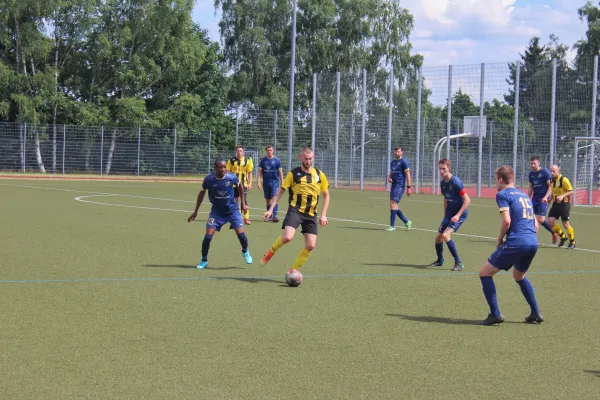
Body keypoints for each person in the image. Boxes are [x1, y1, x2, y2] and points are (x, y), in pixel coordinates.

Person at [478, 166, 543, 326]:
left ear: (500, 179)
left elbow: (507, 221)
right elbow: (536, 225)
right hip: (533, 241)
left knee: (485, 273)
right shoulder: (524, 195)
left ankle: (495, 314)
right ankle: (535, 312)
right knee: (519, 276)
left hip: (517, 241)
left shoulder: (502, 194)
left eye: (496, 179)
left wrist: (500, 238)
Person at [260, 147, 330, 274]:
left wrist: (323, 215)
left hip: (311, 214)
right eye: (306, 159)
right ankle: (270, 253)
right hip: (295, 210)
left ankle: (293, 270)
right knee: (287, 237)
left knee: (311, 246)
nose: (308, 161)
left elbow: (326, 195)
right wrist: (270, 209)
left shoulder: (320, 175)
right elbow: (280, 192)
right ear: (300, 158)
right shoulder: (293, 174)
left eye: (310, 159)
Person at [187, 159, 253, 269]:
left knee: (241, 236)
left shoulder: (231, 177)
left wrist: (243, 203)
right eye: (220, 167)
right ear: (215, 168)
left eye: (224, 167)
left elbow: (240, 185)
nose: (223, 169)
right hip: (217, 212)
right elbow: (201, 194)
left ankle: (245, 251)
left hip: (232, 210)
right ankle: (204, 260)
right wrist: (195, 212)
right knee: (208, 236)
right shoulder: (209, 179)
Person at [428, 158, 470, 271]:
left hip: (459, 214)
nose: (442, 171)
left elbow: (467, 200)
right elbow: (446, 199)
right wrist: (446, 215)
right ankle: (440, 260)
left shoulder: (456, 182)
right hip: (449, 213)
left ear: (449, 168)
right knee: (438, 238)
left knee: (446, 235)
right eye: (440, 169)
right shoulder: (442, 183)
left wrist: (457, 215)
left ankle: (459, 263)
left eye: (444, 169)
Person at [528, 156, 556, 243]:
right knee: (529, 217)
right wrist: (527, 199)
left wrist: (545, 197)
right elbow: (530, 188)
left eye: (534, 163)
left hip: (543, 198)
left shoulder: (545, 172)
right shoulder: (531, 174)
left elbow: (550, 187)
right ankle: (532, 237)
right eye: (531, 163)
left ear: (538, 163)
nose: (532, 165)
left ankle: (553, 233)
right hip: (535, 198)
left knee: (541, 220)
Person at [548, 164, 576, 249]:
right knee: (550, 221)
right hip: (555, 203)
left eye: (554, 171)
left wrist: (562, 196)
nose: (552, 173)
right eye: (551, 171)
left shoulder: (564, 179)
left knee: (565, 223)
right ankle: (563, 236)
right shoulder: (551, 180)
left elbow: (571, 191)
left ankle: (572, 241)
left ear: (558, 171)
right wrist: (550, 199)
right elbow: (553, 191)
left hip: (564, 204)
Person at [386, 146, 412, 231]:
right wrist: (389, 178)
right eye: (395, 152)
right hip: (394, 185)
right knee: (393, 205)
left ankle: (392, 226)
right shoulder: (393, 162)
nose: (396, 153)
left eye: (398, 152)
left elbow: (408, 175)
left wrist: (409, 187)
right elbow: (391, 172)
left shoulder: (404, 162)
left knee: (393, 203)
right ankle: (407, 222)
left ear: (402, 152)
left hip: (400, 185)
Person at [226, 145, 254, 225]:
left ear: (243, 151)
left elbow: (250, 173)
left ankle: (246, 218)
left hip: (243, 184)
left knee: (244, 201)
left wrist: (250, 183)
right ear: (236, 151)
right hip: (233, 184)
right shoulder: (231, 161)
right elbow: (227, 172)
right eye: (238, 150)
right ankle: (237, 217)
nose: (239, 152)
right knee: (235, 201)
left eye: (241, 151)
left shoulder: (247, 161)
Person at [257, 145, 284, 223]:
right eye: (268, 150)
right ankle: (269, 216)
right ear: (266, 151)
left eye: (271, 150)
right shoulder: (263, 160)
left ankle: (274, 216)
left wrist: (282, 181)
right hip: (266, 183)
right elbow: (259, 172)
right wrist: (258, 182)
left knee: (274, 198)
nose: (269, 151)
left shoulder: (277, 160)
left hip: (274, 182)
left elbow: (280, 172)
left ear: (273, 151)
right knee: (268, 200)